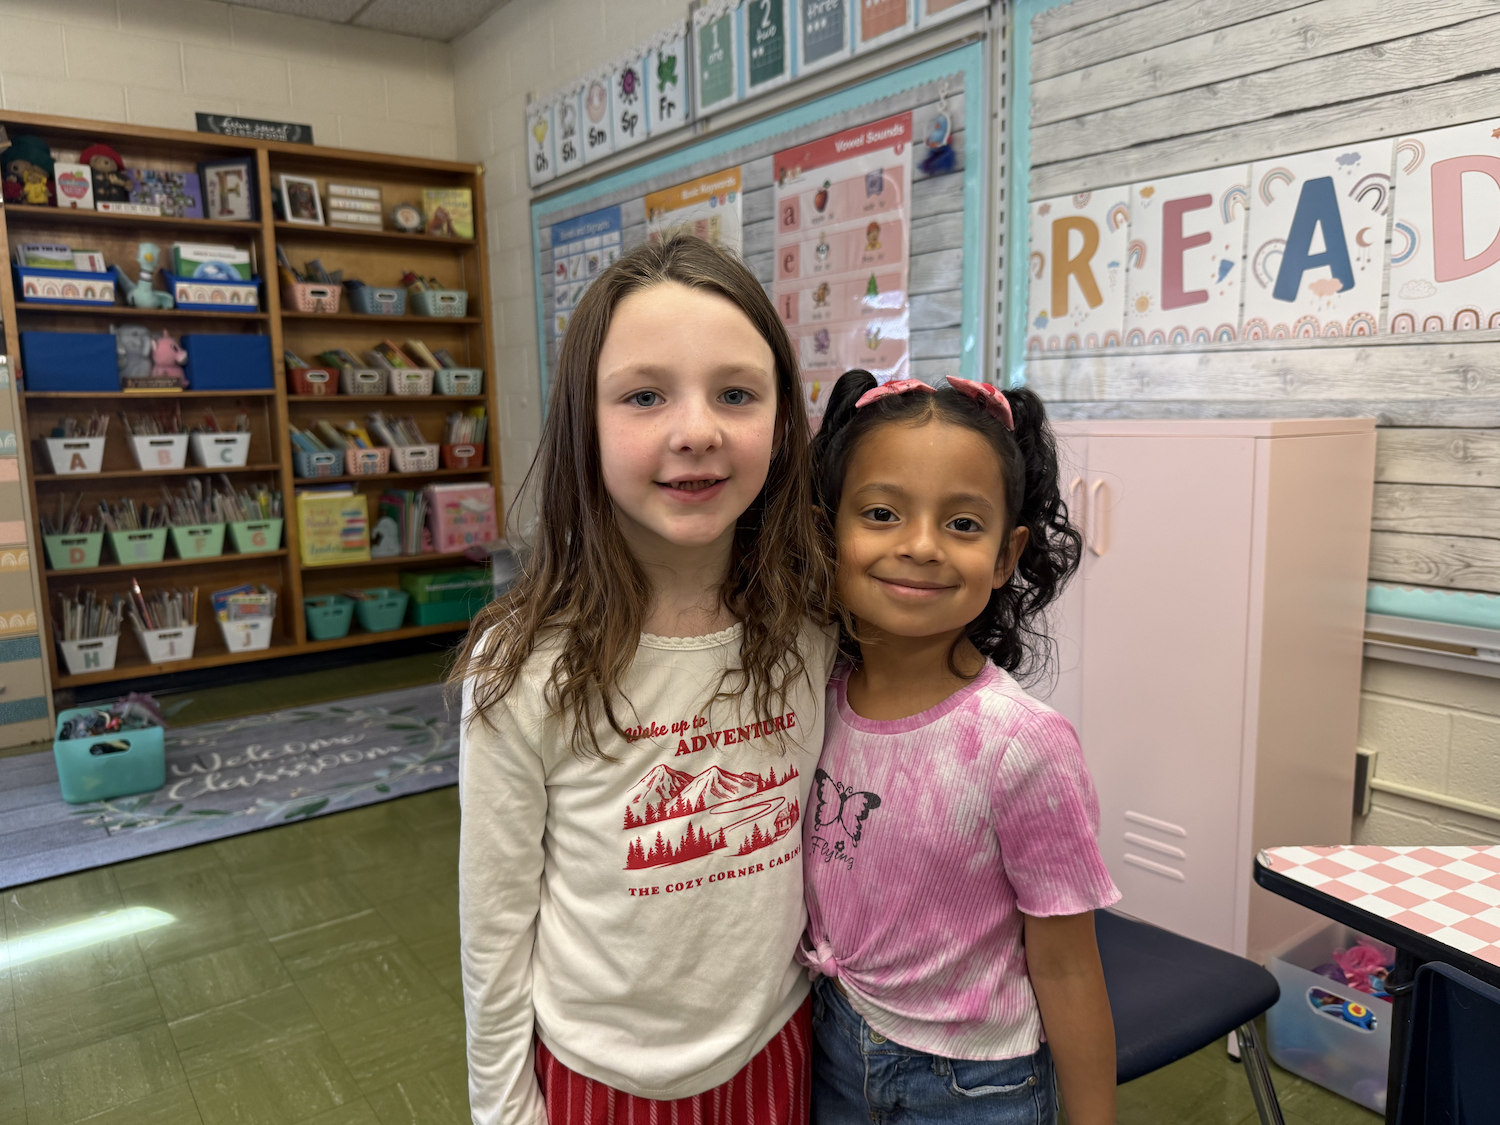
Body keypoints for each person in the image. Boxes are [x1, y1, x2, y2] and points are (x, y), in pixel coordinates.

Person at [453, 235, 839, 1125]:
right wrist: (505, 1113)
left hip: (780, 1044)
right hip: (601, 1078)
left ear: (783, 425)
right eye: (644, 395)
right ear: (583, 423)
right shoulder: (523, 667)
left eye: (736, 394)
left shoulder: (816, 619)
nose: (697, 428)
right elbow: (496, 930)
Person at [801, 372, 1121, 1125]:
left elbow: (1069, 964)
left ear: (1008, 554)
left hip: (974, 1085)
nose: (919, 546)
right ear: (828, 531)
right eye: (882, 513)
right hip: (831, 1039)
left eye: (963, 524)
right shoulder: (810, 699)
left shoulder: (1021, 744)